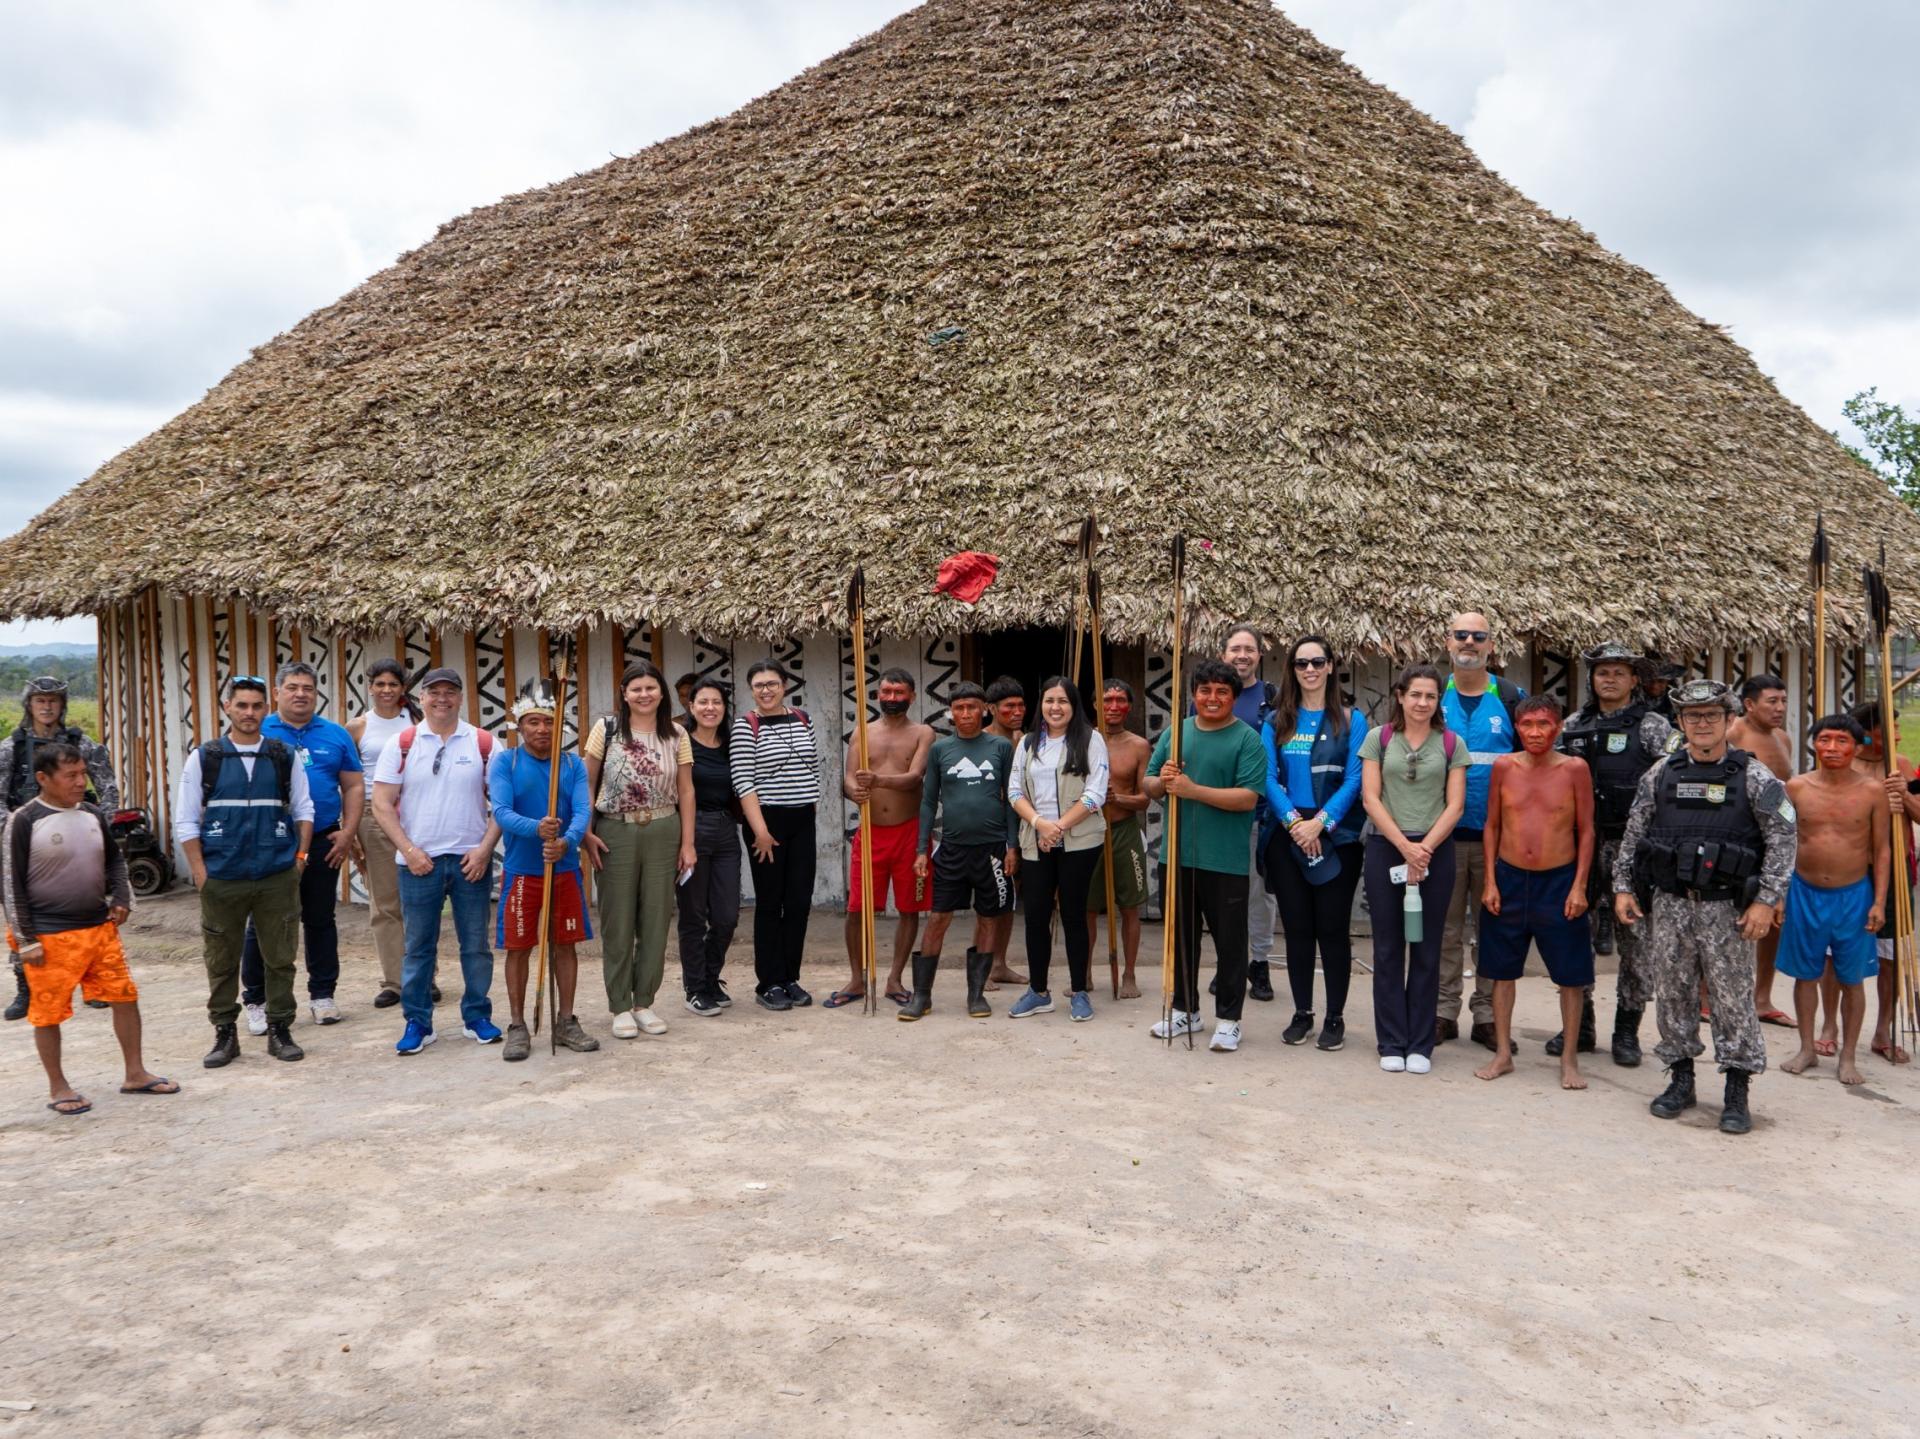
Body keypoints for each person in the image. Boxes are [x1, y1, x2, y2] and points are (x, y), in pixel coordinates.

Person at [1613, 679, 1796, 1135]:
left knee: (1733, 1000)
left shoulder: (1754, 776)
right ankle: (1681, 1080)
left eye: (1712, 715)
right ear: (1680, 721)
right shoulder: (1661, 774)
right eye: (1693, 716)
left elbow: (1783, 837)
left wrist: (1766, 900)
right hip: (1671, 905)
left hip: (1727, 910)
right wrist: (1623, 887)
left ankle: (1736, 1090)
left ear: (1729, 720)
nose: (1702, 724)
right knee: (1673, 994)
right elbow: (1634, 834)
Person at [4, 744, 175, 1114]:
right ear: (43, 778)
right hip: (48, 936)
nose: (82, 782)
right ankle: (59, 1087)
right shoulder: (25, 820)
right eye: (71, 775)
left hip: (99, 929)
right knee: (48, 1012)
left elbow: (114, 860)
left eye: (83, 773)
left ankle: (135, 1073)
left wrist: (123, 897)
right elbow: (10, 884)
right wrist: (26, 940)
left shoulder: (93, 814)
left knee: (125, 997)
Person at [176, 675, 315, 1066]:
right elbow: (186, 819)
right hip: (222, 875)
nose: (249, 713)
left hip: (276, 875)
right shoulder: (206, 757)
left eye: (256, 706)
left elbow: (304, 808)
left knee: (280, 958)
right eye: (241, 705)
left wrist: (300, 858)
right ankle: (224, 1033)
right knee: (221, 960)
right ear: (227, 708)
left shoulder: (283, 756)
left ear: (266, 709)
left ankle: (280, 1029)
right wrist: (200, 872)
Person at [371, 667, 501, 1056]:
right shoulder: (403, 743)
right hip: (418, 863)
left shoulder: (484, 743)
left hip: (469, 862)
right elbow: (381, 804)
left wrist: (484, 850)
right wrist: (409, 850)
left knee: (475, 945)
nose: (442, 699)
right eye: (434, 692)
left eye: (450, 692)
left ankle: (476, 1016)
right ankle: (418, 1021)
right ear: (422, 698)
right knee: (417, 947)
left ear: (461, 697)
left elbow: (502, 804)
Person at [1553, 643, 1673, 1065]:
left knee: (1636, 942)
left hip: (1633, 847)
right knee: (1573, 936)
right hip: (1580, 845)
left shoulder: (1654, 726)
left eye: (1619, 672)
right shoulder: (1573, 725)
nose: (1610, 679)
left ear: (1634, 679)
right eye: (1602, 672)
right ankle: (1580, 1025)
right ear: (1592, 678)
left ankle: (1627, 1031)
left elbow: (1672, 781)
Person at [1147, 659, 1268, 1051]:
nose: (1212, 698)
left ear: (1234, 697)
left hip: (1224, 860)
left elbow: (1248, 797)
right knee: (1179, 939)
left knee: (1230, 943)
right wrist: (1163, 782)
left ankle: (1229, 1019)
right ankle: (1185, 1010)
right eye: (1205, 690)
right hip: (1176, 855)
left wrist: (1192, 790)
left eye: (1222, 692)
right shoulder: (1176, 732)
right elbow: (1149, 783)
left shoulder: (1247, 739)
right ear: (1194, 695)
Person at [1477, 697, 1595, 1089]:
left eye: (1543, 724)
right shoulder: (1504, 767)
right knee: (1501, 971)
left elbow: (1586, 830)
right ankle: (1503, 1054)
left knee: (1571, 976)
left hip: (1558, 881)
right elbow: (1492, 825)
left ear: (1558, 727)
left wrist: (1579, 886)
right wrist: (1491, 880)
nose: (1535, 732)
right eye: (1527, 724)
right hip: (1509, 879)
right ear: (1516, 727)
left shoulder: (1574, 769)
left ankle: (1569, 1059)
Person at [236, 662, 361, 1032]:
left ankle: (322, 996)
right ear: (277, 693)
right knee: (262, 922)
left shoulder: (335, 735)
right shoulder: (258, 730)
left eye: (308, 688)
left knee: (320, 919)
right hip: (268, 842)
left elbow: (353, 785)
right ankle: (257, 1000)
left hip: (324, 840)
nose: (301, 694)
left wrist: (348, 832)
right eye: (292, 687)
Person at [1259, 635, 1368, 1052]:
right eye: (1301, 663)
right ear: (1292, 668)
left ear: (1330, 666)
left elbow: (1356, 779)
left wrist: (1319, 824)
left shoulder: (1351, 720)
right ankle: (1302, 1012)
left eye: (1317, 662)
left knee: (1333, 929)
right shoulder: (1276, 721)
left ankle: (1334, 1017)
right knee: (1298, 929)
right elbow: (1267, 778)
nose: (1309, 669)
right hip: (1287, 833)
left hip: (1337, 835)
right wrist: (1295, 824)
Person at [1360, 664, 1468, 1074]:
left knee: (1427, 947)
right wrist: (1405, 847)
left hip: (1435, 850)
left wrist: (1424, 849)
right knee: (1388, 948)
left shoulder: (1452, 743)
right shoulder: (1379, 738)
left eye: (1430, 696)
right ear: (1400, 696)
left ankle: (1421, 1043)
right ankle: (1391, 1040)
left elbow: (1455, 805)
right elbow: (1371, 798)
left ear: (1439, 701)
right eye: (1415, 694)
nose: (1422, 703)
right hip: (1387, 847)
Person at [583, 660, 695, 1038]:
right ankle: (619, 1005)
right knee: (617, 920)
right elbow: (587, 782)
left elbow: (686, 790)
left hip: (664, 829)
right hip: (615, 830)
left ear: (661, 693)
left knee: (656, 919)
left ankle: (643, 1001)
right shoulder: (606, 729)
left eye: (651, 688)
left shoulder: (677, 733)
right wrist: (585, 832)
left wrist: (688, 844)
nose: (644, 694)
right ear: (625, 694)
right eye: (636, 689)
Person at [489, 681, 598, 1060]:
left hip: (563, 868)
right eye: (533, 722)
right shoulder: (506, 762)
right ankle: (518, 1025)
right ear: (520, 725)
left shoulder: (572, 764)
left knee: (565, 945)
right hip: (522, 871)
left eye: (549, 722)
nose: (541, 729)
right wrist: (536, 828)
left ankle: (566, 1021)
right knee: (518, 948)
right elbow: (501, 812)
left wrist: (567, 840)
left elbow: (582, 810)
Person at [1777, 715, 1887, 1086]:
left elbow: (1882, 850)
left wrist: (1879, 902)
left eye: (1842, 740)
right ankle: (1807, 1048)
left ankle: (1849, 1056)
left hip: (1854, 895)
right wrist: (1778, 895)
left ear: (1857, 747)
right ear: (1814, 744)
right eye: (1825, 739)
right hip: (1803, 892)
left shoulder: (1872, 791)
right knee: (1805, 975)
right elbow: (1782, 843)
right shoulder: (1796, 787)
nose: (1832, 748)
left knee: (1851, 979)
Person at [2, 676, 118, 1023]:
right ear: (29, 705)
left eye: (53, 700)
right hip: (27, 843)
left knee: (88, 910)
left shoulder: (82, 744)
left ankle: (92, 984)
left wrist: (99, 826)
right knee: (20, 913)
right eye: (40, 700)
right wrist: (15, 830)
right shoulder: (11, 748)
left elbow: (109, 787)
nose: (47, 706)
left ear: (62, 705)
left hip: (77, 840)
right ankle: (26, 986)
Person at [1437, 612, 1524, 1052]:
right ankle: (1443, 1012)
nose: (1469, 642)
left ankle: (1487, 1016)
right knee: (1445, 932)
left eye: (1478, 636)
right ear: (1447, 642)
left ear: (1491, 644)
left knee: (1493, 931)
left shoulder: (1510, 698)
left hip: (1498, 842)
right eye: (1461, 635)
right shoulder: (1432, 695)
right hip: (1444, 839)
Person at [906, 681, 1015, 1020]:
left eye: (971, 707)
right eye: (959, 708)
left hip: (992, 850)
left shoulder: (1001, 747)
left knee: (988, 918)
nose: (965, 714)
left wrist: (1012, 846)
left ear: (985, 710)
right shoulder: (940, 750)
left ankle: (976, 995)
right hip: (951, 849)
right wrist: (922, 850)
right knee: (938, 917)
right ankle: (921, 996)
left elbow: (1012, 800)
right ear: (950, 713)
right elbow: (928, 802)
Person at [829, 668, 933, 1009]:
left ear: (912, 696)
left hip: (909, 834)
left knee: (909, 909)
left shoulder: (923, 732)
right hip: (871, 832)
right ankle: (857, 979)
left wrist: (876, 780)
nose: (891, 698)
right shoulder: (863, 730)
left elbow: (914, 777)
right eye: (886, 692)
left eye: (899, 692)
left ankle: (894, 979)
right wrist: (853, 790)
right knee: (856, 910)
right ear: (877, 695)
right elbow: (848, 778)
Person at [1007, 676, 1109, 1021]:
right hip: (1036, 840)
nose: (1055, 707)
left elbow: (1096, 793)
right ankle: (1038, 992)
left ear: (1074, 706)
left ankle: (1079, 991)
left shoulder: (1091, 739)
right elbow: (1014, 791)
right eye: (1049, 700)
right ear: (1041, 705)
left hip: (1080, 841)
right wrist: (1040, 824)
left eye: (1063, 701)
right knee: (1035, 915)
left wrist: (1059, 827)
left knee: (1074, 914)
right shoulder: (1028, 743)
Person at [1829, 700, 1916, 1066]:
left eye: (1897, 729)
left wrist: (1904, 794)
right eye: (1888, 731)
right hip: (1847, 869)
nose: (1897, 737)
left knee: (1889, 955)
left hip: (1894, 870)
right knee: (1834, 953)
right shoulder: (1842, 763)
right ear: (1865, 735)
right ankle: (1829, 1028)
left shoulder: (1903, 766)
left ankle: (1882, 1031)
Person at [732, 659, 821, 1011]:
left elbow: (812, 767)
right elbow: (743, 780)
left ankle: (789, 977)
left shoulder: (802, 718)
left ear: (784, 685)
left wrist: (811, 807)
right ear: (751, 690)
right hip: (765, 822)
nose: (766, 690)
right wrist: (760, 831)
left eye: (772, 683)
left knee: (799, 901)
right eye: (759, 685)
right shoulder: (746, 725)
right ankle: (768, 982)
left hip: (802, 820)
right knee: (771, 903)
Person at [348, 659, 421, 1009]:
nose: (387, 690)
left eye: (393, 684)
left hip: (415, 813)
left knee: (419, 899)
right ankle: (395, 981)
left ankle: (423, 976)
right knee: (385, 901)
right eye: (380, 684)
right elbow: (348, 781)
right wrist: (349, 828)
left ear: (403, 688)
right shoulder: (358, 727)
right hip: (372, 814)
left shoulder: (418, 722)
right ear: (370, 687)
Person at [1729, 674, 1794, 1029]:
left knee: (1774, 919)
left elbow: (1787, 791)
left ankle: (1762, 998)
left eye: (1783, 700)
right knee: (1728, 916)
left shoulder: (1783, 738)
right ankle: (1707, 996)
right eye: (1772, 701)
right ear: (1750, 704)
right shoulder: (1733, 733)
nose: (1780, 708)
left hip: (1775, 838)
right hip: (1737, 835)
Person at [676, 678, 743, 1017]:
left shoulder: (731, 744)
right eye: (703, 702)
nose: (710, 708)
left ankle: (710, 977)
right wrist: (684, 843)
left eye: (716, 702)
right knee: (693, 915)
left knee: (727, 915)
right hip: (692, 829)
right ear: (691, 706)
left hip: (726, 831)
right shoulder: (680, 742)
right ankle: (695, 987)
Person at [1220, 624, 1279, 1003]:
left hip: (1259, 813)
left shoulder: (1272, 698)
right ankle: (1230, 963)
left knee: (1259, 894)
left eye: (1249, 649)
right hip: (1217, 813)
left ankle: (1259, 962)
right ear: (1223, 654)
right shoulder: (1212, 695)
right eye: (1235, 649)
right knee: (1224, 893)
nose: (1242, 655)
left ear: (1259, 655)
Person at [1087, 680, 1152, 1000]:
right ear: (1095, 705)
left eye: (1120, 700)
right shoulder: (1081, 741)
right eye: (1107, 700)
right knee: (1086, 908)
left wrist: (1117, 799)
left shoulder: (1139, 746)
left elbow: (1145, 800)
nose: (1113, 706)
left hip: (1124, 831)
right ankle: (1084, 972)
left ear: (1129, 706)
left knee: (1130, 907)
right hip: (1088, 831)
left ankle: (1129, 974)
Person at [980, 675, 1029, 989]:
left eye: (1021, 705)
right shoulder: (980, 740)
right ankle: (982, 967)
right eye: (1009, 706)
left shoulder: (1024, 740)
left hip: (1021, 828)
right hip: (990, 830)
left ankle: (999, 964)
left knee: (1009, 897)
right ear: (991, 708)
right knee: (989, 900)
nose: (1017, 711)